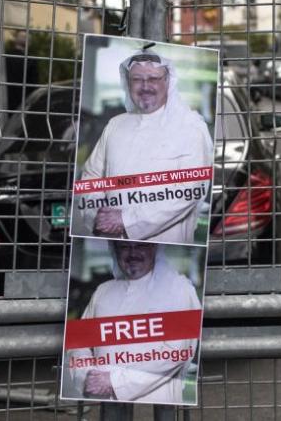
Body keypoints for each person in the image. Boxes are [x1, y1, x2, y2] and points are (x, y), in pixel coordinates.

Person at [77, 46, 214, 243]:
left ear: (168, 82)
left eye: (153, 79)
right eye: (137, 79)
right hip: (114, 241)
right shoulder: (115, 125)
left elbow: (190, 190)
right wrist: (97, 213)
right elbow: (91, 176)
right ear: (128, 83)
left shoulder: (190, 127)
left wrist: (126, 220)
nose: (145, 86)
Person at [68, 241, 201, 404]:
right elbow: (78, 344)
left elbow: (175, 354)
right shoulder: (103, 291)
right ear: (115, 251)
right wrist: (87, 374)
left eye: (140, 246)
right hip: (104, 392)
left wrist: (114, 382)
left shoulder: (180, 290)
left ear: (155, 248)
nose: (132, 253)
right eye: (124, 247)